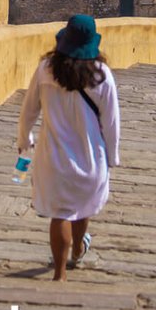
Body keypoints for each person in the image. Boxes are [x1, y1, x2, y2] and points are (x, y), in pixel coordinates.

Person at [17, 14, 122, 281]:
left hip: (52, 158)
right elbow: (111, 123)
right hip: (91, 157)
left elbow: (29, 110)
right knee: (82, 208)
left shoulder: (45, 69)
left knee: (60, 214)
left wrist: (24, 140)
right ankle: (77, 251)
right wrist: (112, 157)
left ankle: (60, 274)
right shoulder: (102, 76)